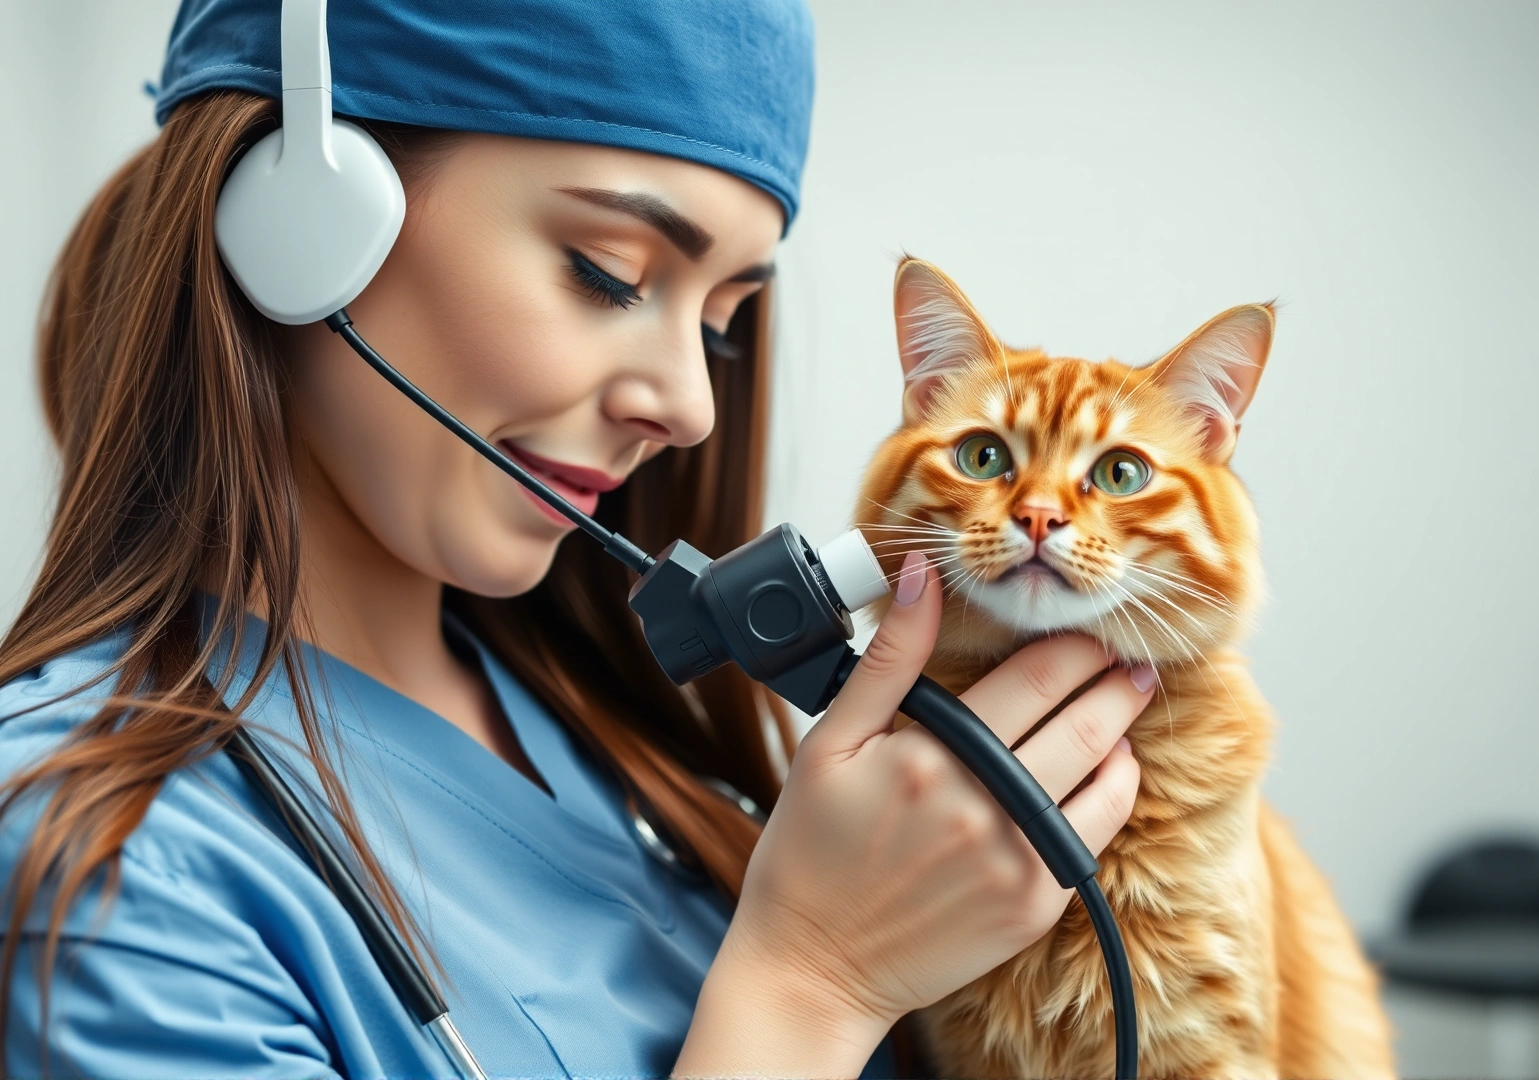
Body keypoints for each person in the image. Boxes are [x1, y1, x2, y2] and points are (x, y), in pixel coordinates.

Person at [0, 1, 1150, 1075]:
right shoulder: (106, 880)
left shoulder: (616, 738)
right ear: (301, 224)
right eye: (610, 275)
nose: (692, 409)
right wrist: (812, 983)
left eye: (724, 323)